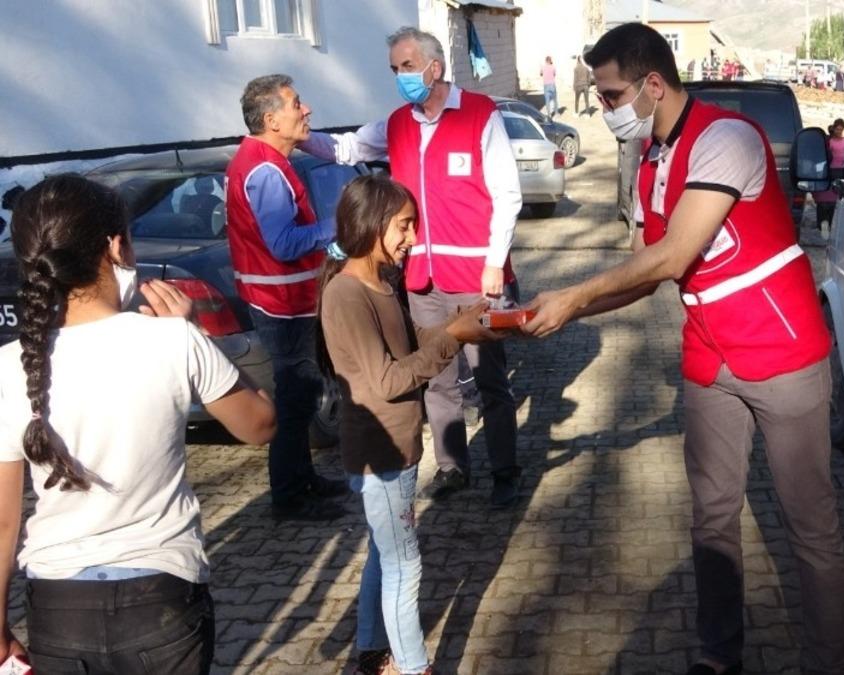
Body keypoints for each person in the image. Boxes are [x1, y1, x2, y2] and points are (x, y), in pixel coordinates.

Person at [524, 23, 844, 675]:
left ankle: (831, 659)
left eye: (612, 95)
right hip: (709, 359)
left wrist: (575, 295)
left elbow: (673, 252)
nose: (604, 108)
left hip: (781, 352)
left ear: (652, 85)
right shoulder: (651, 160)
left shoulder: (725, 138)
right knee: (711, 517)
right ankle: (718, 653)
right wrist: (566, 305)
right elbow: (653, 269)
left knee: (810, 526)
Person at [0, 174, 276, 673]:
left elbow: (1, 522)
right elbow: (259, 425)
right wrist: (195, 333)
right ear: (114, 246)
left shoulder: (7, 367)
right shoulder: (173, 340)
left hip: (59, 610)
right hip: (162, 600)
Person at [301, 27, 524, 509]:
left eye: (405, 67)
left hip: (476, 279)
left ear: (434, 67)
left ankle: (505, 470)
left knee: (489, 379)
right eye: (394, 69)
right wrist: (299, 139)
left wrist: (493, 263)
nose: (399, 77)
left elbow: (508, 195)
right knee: (437, 379)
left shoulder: (481, 115)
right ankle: (451, 467)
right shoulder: (399, 123)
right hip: (422, 277)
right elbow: (347, 149)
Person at [315, 175, 498, 675]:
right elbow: (387, 380)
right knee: (404, 565)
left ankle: (372, 652)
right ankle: (414, 667)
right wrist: (453, 337)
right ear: (369, 223)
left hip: (396, 450)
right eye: (404, 225)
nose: (413, 237)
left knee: (384, 551)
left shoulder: (381, 283)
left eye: (413, 224)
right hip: (382, 456)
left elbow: (415, 337)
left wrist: (465, 322)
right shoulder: (347, 295)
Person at [226, 73, 348, 521]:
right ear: (272, 119)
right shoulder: (264, 170)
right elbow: (283, 243)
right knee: (295, 403)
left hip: (284, 301)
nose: (307, 110)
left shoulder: (263, 161)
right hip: (281, 306)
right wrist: (337, 226)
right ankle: (290, 497)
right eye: (297, 104)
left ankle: (303, 480)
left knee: (301, 396)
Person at [813, 118, 844, 233]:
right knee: (828, 195)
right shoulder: (829, 142)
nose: (839, 132)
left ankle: (832, 222)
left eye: (841, 130)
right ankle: (825, 222)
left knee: (837, 195)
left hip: (842, 171)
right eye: (837, 129)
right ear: (834, 129)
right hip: (830, 170)